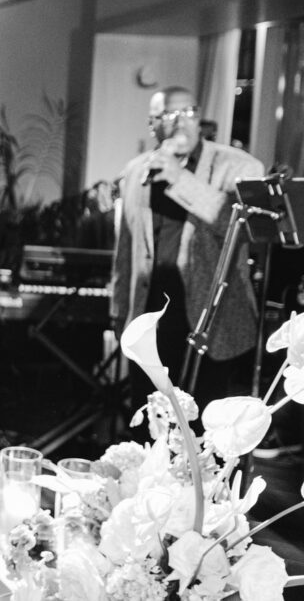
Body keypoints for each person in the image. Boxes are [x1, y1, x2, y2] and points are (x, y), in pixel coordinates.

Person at [112, 86, 264, 412]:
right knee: (149, 425)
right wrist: (117, 310)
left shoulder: (239, 166)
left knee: (200, 433)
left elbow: (236, 224)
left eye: (189, 113)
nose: (182, 123)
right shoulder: (136, 171)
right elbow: (126, 248)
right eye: (169, 115)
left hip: (210, 324)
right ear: (153, 125)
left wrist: (179, 178)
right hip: (149, 321)